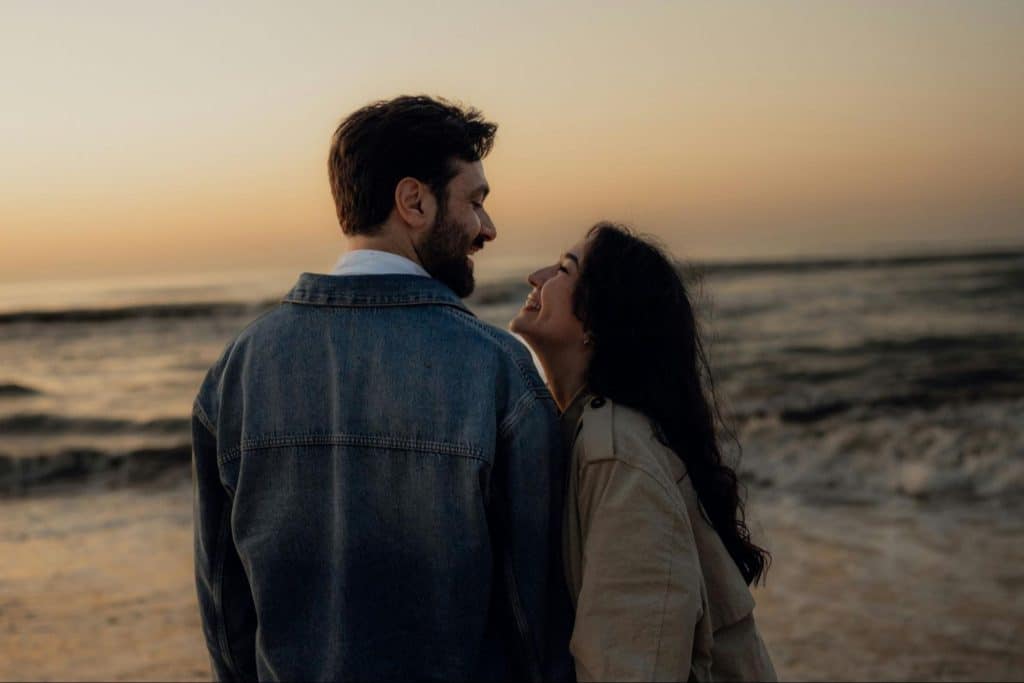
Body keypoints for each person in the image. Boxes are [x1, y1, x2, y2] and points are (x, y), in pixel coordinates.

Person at [191, 95, 573, 682]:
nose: (488, 228)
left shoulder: (237, 370)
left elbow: (225, 610)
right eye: (475, 202)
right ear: (414, 201)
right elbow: (536, 619)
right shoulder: (497, 371)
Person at [510, 222, 777, 682]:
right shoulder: (586, 432)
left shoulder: (617, 455)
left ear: (596, 320)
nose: (535, 276)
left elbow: (632, 667)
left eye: (562, 270)